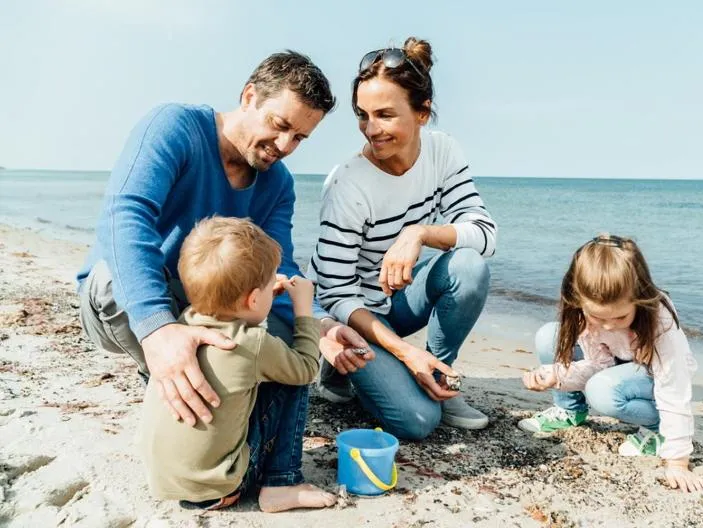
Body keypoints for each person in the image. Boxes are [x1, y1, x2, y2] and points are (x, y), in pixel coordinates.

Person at [76, 51, 371, 507]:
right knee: (110, 281)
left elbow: (280, 272)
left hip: (212, 316)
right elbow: (125, 215)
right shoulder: (174, 127)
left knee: (286, 340)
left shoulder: (278, 184)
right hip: (131, 305)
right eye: (279, 124)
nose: (286, 144)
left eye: (300, 137)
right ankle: (164, 376)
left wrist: (324, 327)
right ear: (249, 95)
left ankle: (217, 442)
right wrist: (158, 328)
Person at [307, 37, 497, 440]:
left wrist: (419, 233)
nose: (371, 129)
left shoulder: (443, 152)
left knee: (468, 267)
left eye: (386, 115)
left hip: (396, 299)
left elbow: (484, 234)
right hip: (349, 310)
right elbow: (337, 291)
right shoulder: (347, 185)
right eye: (363, 115)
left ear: (422, 112)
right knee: (417, 422)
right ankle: (341, 369)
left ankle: (440, 377)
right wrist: (405, 352)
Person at [140, 217, 336, 512]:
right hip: (221, 486)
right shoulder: (252, 344)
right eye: (271, 284)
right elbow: (307, 368)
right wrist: (304, 311)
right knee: (294, 375)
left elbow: (243, 324)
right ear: (254, 299)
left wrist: (264, 297)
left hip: (168, 481)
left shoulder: (184, 325)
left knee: (265, 372)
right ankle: (282, 483)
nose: (274, 288)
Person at [520, 234, 703, 493]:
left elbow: (674, 388)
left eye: (620, 317)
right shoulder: (584, 313)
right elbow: (597, 365)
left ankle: (656, 430)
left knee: (602, 390)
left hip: (652, 377)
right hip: (615, 369)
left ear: (639, 296)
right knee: (549, 336)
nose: (607, 325)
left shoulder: (659, 320)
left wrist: (677, 461)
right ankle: (569, 411)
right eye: (596, 316)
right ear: (579, 298)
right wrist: (558, 377)